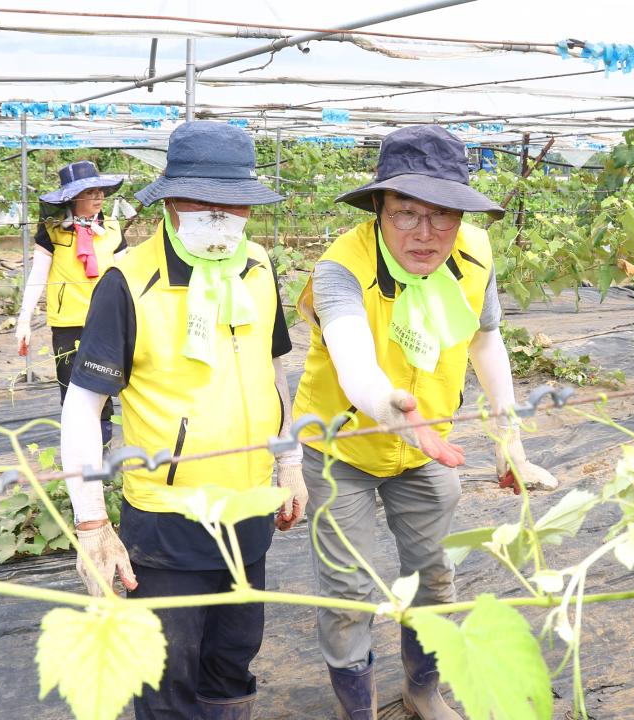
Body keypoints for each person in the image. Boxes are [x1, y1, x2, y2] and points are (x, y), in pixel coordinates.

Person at [291, 125, 557, 720]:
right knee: (346, 593)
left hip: (427, 449)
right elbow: (353, 358)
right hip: (343, 449)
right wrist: (392, 412)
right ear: (379, 209)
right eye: (407, 213)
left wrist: (506, 434)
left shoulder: (475, 255)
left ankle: (424, 691)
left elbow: (487, 341)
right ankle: (355, 710)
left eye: (443, 216)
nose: (426, 233)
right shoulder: (341, 267)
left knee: (435, 578)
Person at [58, 121, 307, 720]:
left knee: (233, 657)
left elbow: (272, 373)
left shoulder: (258, 265)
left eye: (233, 202)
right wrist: (91, 522)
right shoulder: (127, 281)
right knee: (166, 675)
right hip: (169, 523)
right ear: (170, 200)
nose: (220, 214)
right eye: (203, 200)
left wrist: (290, 463)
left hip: (249, 507)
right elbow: (84, 405)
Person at [15, 160, 125, 443]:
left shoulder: (111, 228)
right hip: (68, 323)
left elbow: (128, 273)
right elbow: (37, 275)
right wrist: (24, 320)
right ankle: (79, 450)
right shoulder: (52, 230)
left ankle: (102, 449)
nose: (98, 197)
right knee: (72, 388)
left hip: (106, 321)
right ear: (73, 197)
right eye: (90, 193)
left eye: (100, 191)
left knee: (105, 384)